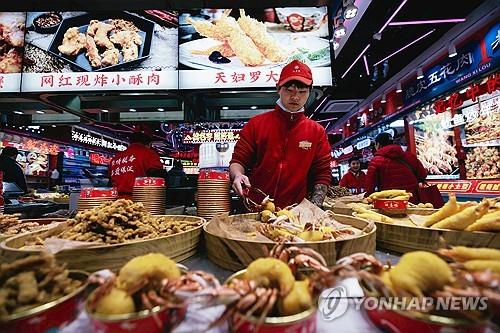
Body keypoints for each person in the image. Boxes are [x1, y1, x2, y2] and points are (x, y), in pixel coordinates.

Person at [230, 60, 331, 209]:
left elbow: (322, 173)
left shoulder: (317, 132)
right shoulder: (256, 124)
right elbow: (238, 160)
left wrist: (314, 208)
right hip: (255, 207)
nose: (295, 97)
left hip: (295, 212)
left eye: (302, 92)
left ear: (310, 91)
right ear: (278, 88)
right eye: (289, 90)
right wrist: (237, 175)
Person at [365, 132, 427, 203]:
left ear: (378, 145)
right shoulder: (410, 156)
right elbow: (423, 175)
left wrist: (368, 198)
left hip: (390, 202)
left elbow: (370, 186)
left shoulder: (376, 161)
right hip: (413, 199)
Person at [109, 127, 165, 198]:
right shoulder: (150, 154)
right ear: (149, 143)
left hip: (117, 203)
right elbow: (158, 178)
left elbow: (110, 182)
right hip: (140, 202)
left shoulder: (116, 157)